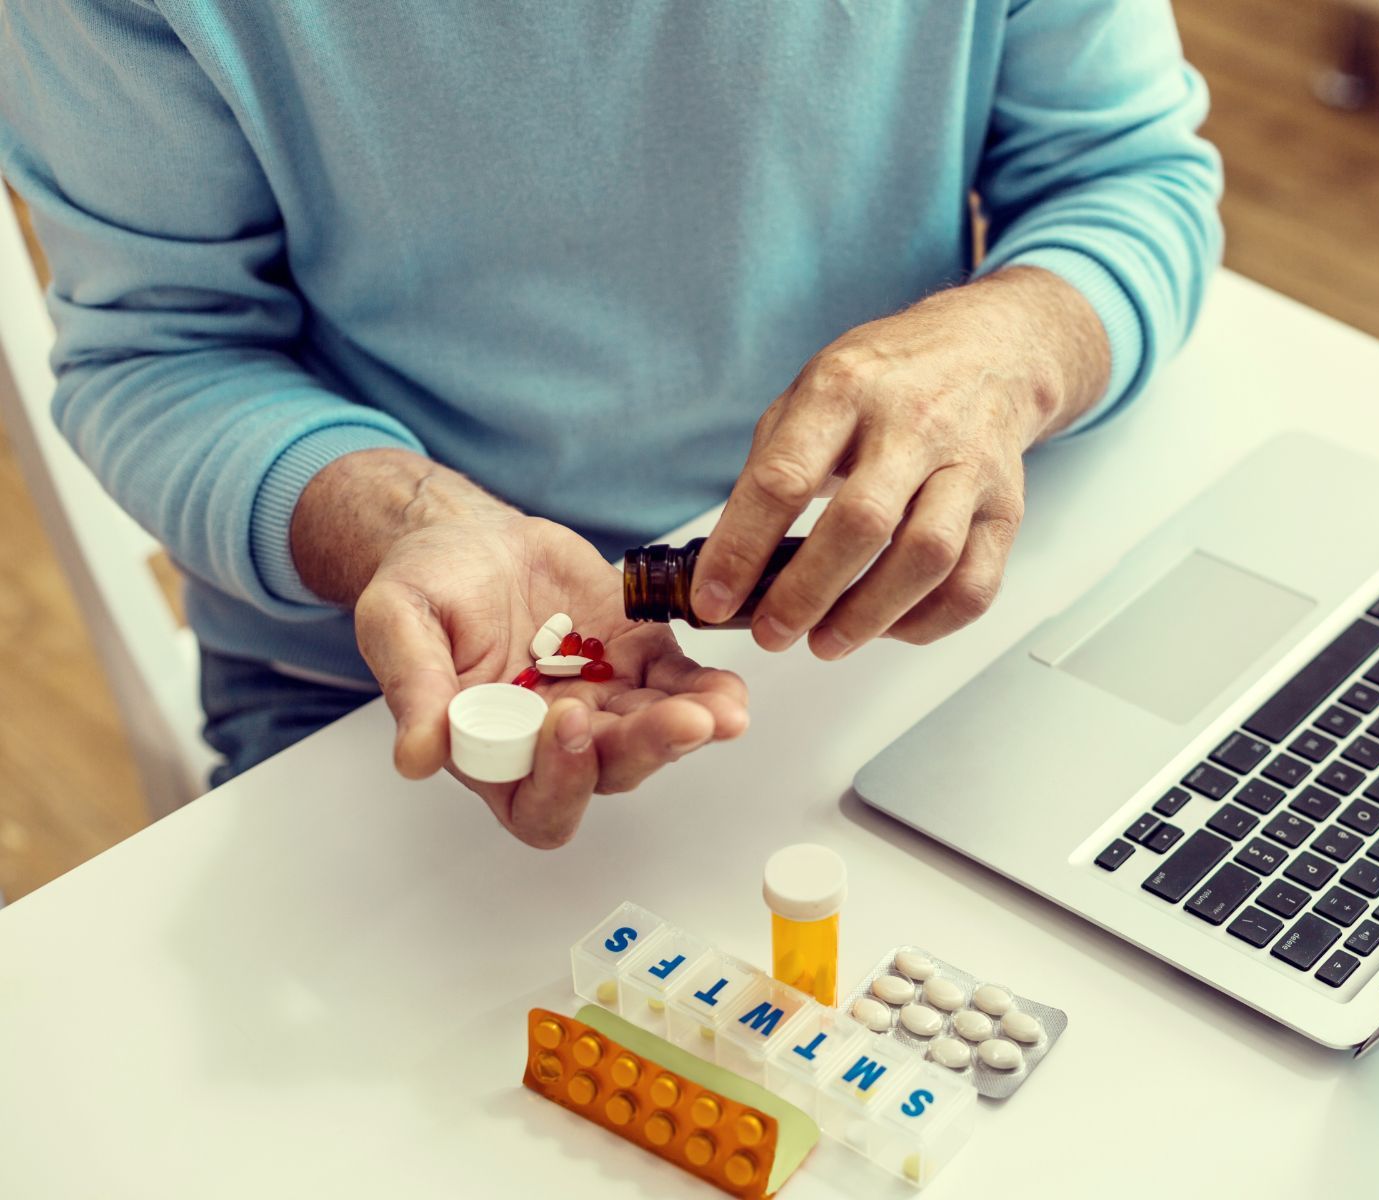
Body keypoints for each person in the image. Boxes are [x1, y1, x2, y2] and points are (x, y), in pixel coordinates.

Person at [0, 2, 1222, 847]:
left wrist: (1009, 351)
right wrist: (402, 524)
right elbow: (164, 351)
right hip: (388, 673)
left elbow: (1129, 174)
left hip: (892, 600)